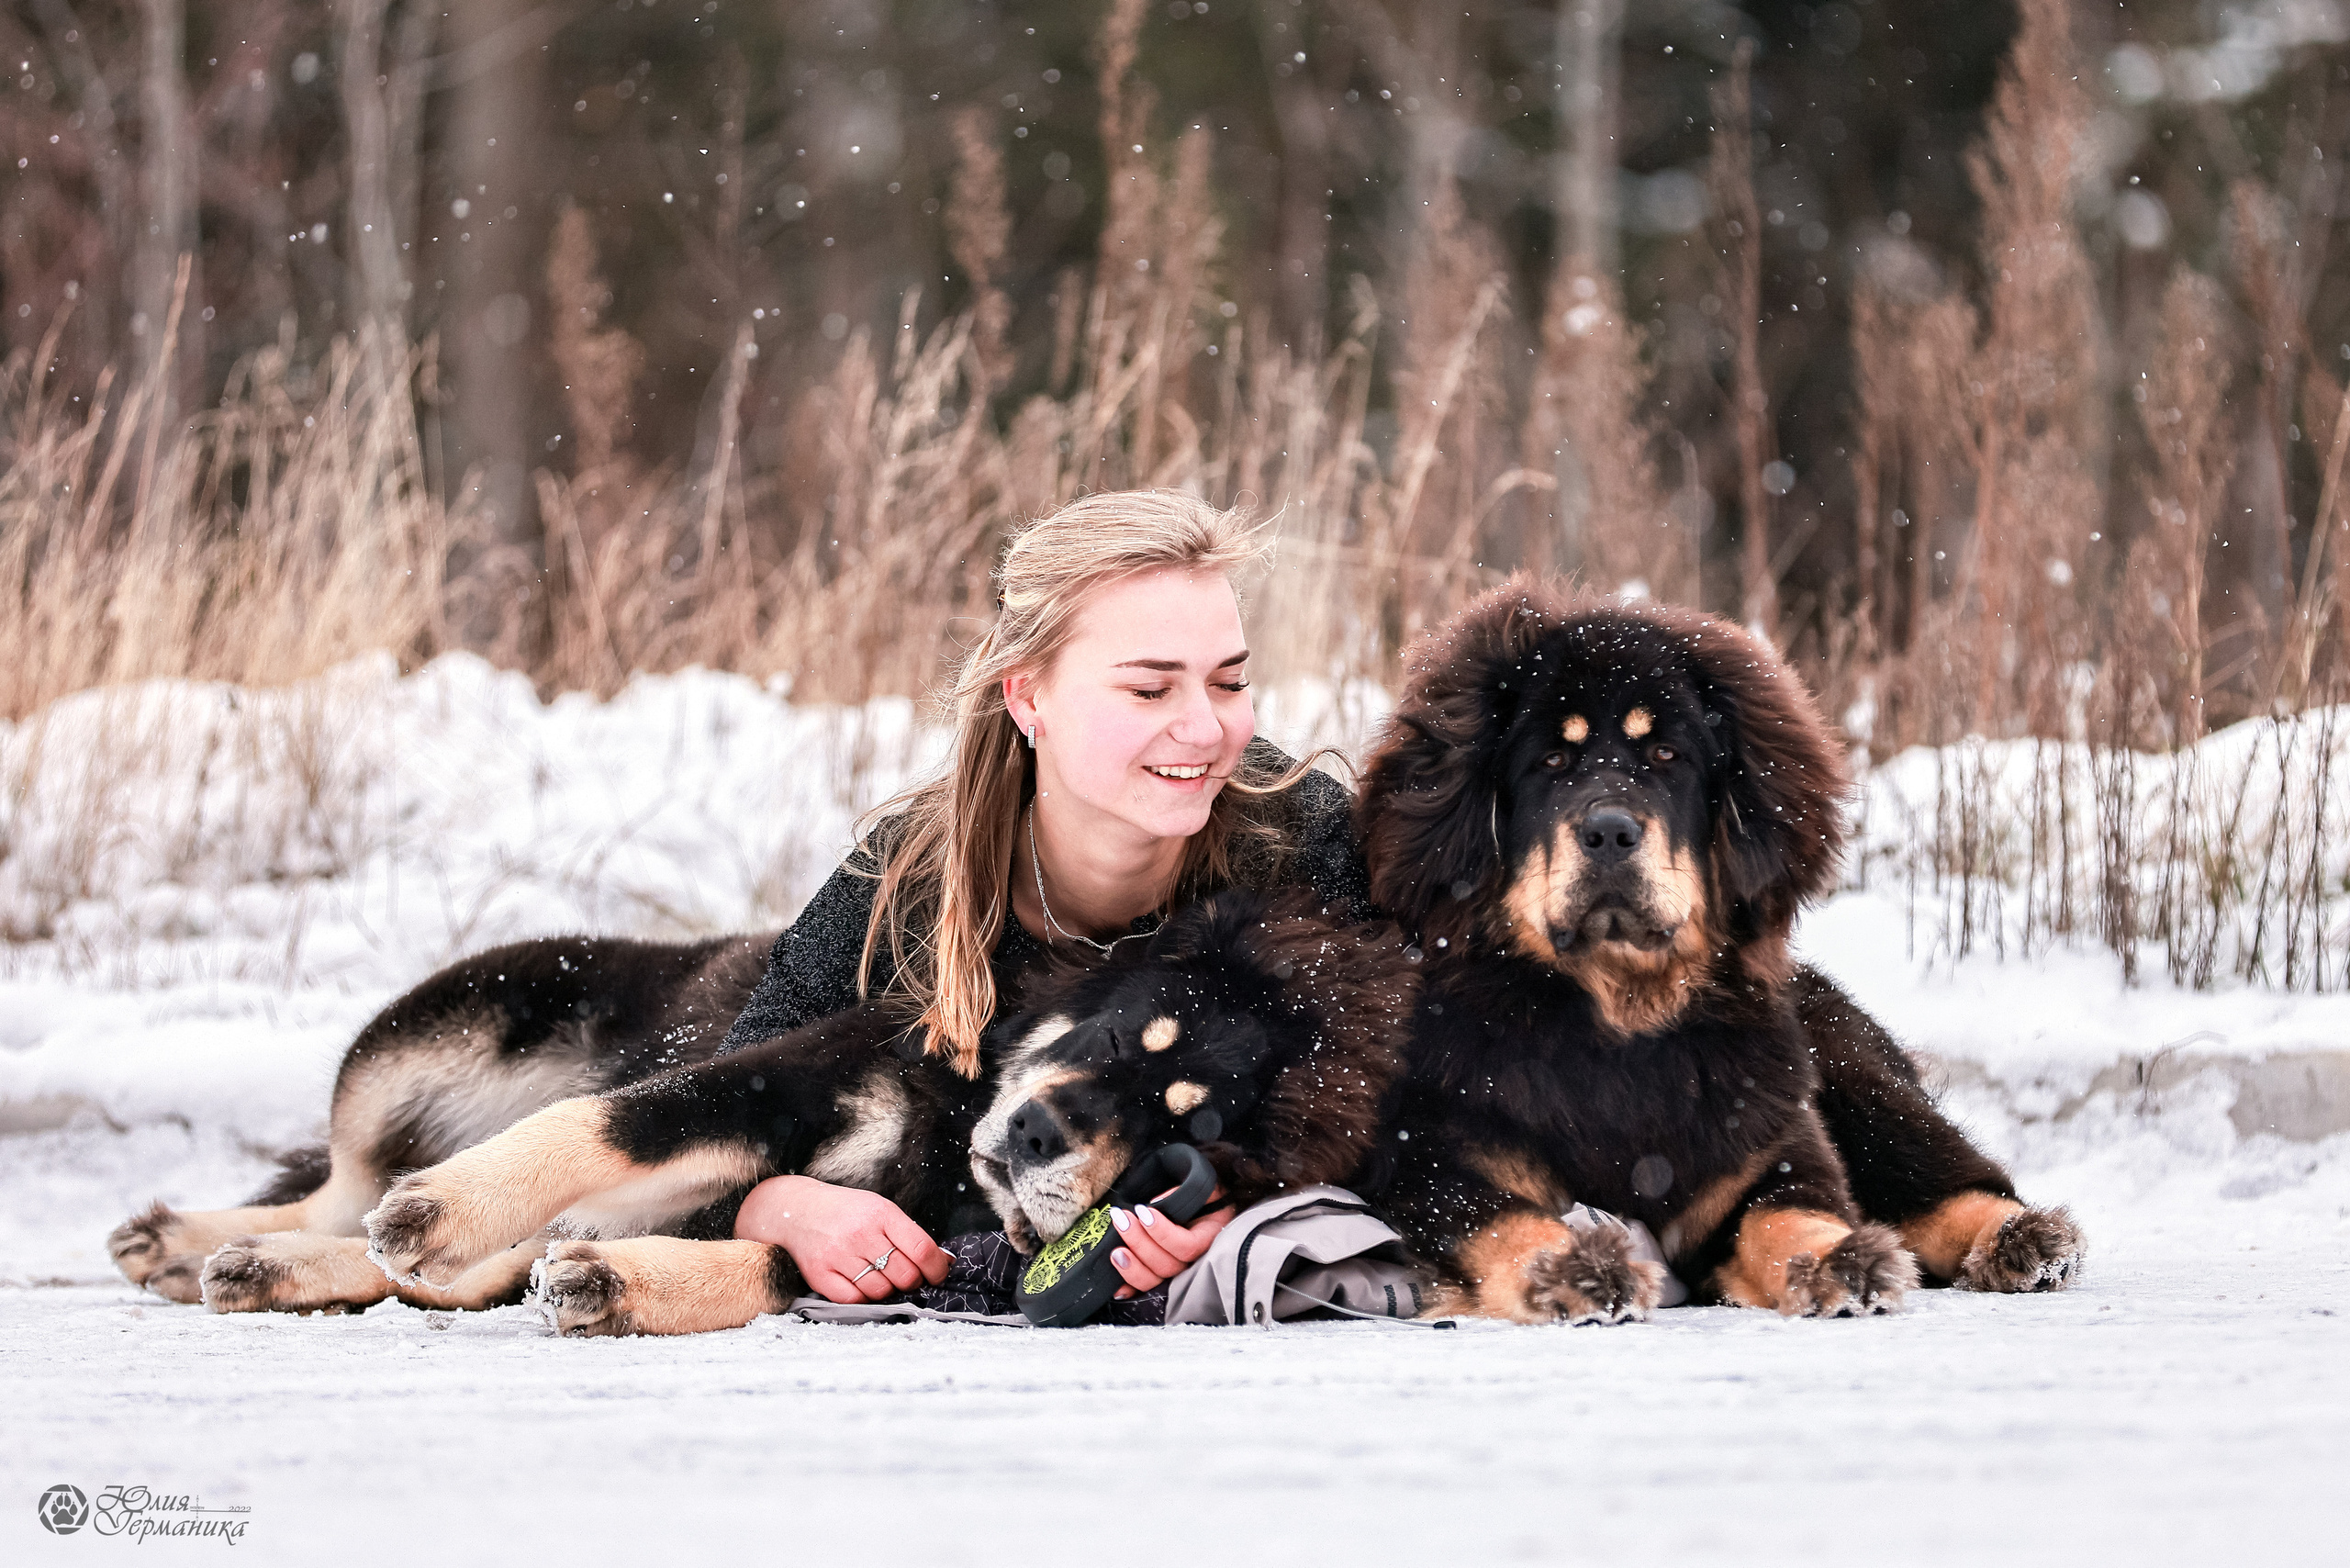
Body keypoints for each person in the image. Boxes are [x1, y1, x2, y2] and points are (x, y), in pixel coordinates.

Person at [724, 490, 1367, 1309]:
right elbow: (707, 1106)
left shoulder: (1304, 843)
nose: (1207, 729)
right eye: (1149, 690)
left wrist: (1256, 1202)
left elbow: (1437, 1096)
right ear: (1028, 697)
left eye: (1230, 682)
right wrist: (776, 1206)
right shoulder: (907, 881)